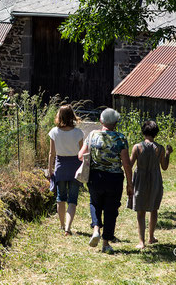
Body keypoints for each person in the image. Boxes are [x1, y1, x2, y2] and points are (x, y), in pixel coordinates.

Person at [78, 108, 133, 254]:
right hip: (114, 179)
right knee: (111, 209)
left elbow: (80, 155)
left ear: (101, 121)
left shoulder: (92, 135)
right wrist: (130, 183)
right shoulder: (120, 139)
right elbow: (126, 163)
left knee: (95, 203)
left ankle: (96, 228)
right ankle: (106, 242)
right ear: (116, 123)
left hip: (95, 177)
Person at [127, 120, 173, 249]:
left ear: (143, 132)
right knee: (153, 209)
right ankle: (151, 237)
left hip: (140, 179)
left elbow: (129, 165)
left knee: (140, 211)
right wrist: (168, 154)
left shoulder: (137, 147)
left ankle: (141, 241)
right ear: (156, 133)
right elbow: (164, 167)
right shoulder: (160, 148)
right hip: (155, 179)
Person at [47, 105, 85, 236]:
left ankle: (62, 225)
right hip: (75, 166)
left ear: (59, 116)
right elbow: (82, 153)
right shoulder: (78, 133)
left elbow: (52, 153)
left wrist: (50, 169)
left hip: (60, 166)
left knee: (60, 197)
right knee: (72, 199)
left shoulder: (54, 132)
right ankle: (68, 227)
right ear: (72, 116)